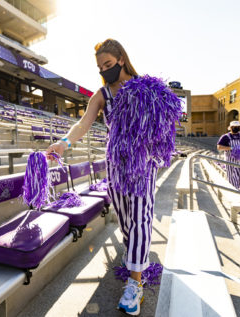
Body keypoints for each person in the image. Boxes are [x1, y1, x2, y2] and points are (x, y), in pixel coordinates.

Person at [46, 39, 154, 315]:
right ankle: (136, 260)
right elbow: (83, 124)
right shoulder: (103, 94)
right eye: (99, 67)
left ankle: (135, 284)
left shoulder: (146, 87)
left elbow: (162, 124)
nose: (104, 70)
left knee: (141, 218)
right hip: (115, 165)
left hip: (142, 164)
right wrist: (63, 144)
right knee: (128, 222)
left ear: (121, 59)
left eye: (108, 64)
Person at [217, 121, 240, 190]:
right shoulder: (225, 137)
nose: (236, 128)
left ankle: (239, 188)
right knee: (232, 179)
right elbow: (219, 147)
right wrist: (231, 148)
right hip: (230, 161)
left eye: (237, 127)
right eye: (234, 127)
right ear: (230, 128)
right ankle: (236, 190)